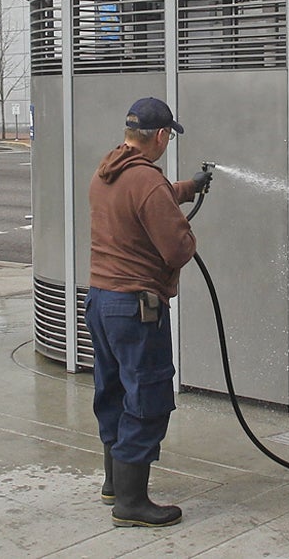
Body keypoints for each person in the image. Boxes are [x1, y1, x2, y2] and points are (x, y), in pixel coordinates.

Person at [85, 97, 212, 528]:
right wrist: (183, 230)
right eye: (168, 137)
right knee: (148, 397)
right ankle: (132, 504)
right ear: (160, 136)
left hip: (101, 301)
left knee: (114, 391)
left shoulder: (108, 173)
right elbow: (178, 249)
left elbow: (148, 197)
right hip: (136, 308)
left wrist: (188, 187)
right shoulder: (146, 182)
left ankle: (114, 485)